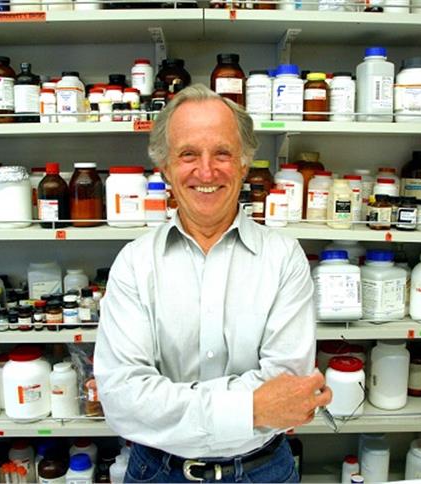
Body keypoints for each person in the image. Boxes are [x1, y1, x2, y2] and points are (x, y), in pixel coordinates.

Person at [94, 84, 331, 483]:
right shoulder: (134, 263)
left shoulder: (284, 258)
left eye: (222, 153)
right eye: (188, 154)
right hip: (157, 471)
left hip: (263, 471)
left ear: (244, 165)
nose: (206, 172)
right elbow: (123, 400)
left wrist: (169, 405)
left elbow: (288, 387)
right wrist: (252, 408)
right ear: (165, 168)